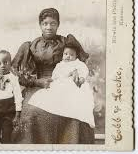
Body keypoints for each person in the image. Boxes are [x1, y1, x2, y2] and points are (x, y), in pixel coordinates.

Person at [11, 8, 94, 144]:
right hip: (39, 85)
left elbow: (80, 63)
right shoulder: (31, 45)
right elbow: (15, 72)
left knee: (75, 110)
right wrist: (37, 82)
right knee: (32, 112)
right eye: (45, 24)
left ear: (58, 24)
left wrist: (76, 74)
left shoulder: (66, 42)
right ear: (40, 25)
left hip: (66, 84)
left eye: (53, 23)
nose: (49, 27)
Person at [28, 43, 95, 128]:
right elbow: (55, 74)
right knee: (52, 94)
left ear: (76, 56)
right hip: (61, 83)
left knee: (79, 98)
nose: (68, 56)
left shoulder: (78, 64)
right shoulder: (60, 65)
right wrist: (53, 79)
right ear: (62, 54)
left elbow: (84, 71)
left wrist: (81, 78)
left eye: (71, 55)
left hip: (74, 84)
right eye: (66, 54)